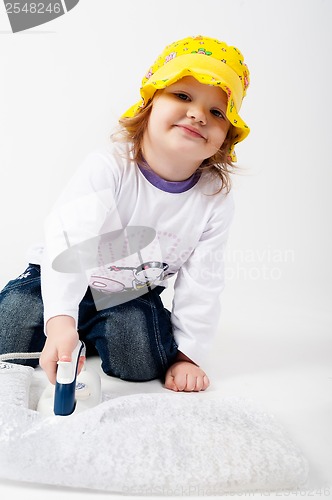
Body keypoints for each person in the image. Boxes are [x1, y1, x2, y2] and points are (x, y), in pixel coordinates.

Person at [0, 35, 250, 392]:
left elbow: (203, 281)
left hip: (128, 294)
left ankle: (97, 333)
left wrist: (188, 355)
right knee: (7, 327)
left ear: (225, 137)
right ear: (148, 105)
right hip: (56, 278)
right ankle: (68, 328)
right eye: (182, 96)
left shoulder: (213, 200)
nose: (197, 114)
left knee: (141, 362)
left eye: (217, 112)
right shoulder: (110, 167)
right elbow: (69, 238)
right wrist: (59, 321)